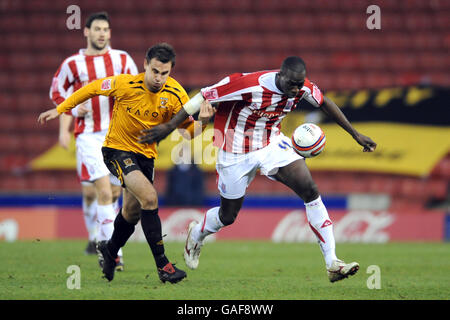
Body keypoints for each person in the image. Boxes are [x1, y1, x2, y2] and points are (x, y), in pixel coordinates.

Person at [138, 56, 377, 283]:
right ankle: (198, 232)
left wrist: (355, 134)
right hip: (234, 152)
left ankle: (332, 263)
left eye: (299, 85)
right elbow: (202, 97)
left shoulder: (302, 87)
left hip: (271, 144)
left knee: (310, 191)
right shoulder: (247, 84)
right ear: (280, 75)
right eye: (292, 84)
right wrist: (169, 126)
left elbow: (324, 102)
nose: (296, 90)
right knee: (227, 216)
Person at [39, 43, 215, 284]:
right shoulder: (124, 83)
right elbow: (90, 89)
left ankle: (110, 251)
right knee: (150, 198)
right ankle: (164, 266)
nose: (159, 78)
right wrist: (61, 109)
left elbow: (187, 133)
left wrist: (203, 123)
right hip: (117, 150)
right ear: (145, 64)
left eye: (164, 73)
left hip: (146, 157)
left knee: (131, 213)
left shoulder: (176, 94)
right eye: (155, 71)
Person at [50, 11, 138, 271]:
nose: (101, 33)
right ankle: (111, 252)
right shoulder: (73, 63)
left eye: (105, 29)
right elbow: (56, 90)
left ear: (110, 33)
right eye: (97, 29)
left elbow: (137, 87)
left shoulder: (122, 59)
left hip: (117, 136)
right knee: (97, 191)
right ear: (86, 32)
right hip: (88, 134)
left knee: (112, 193)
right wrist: (73, 111)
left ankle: (102, 244)